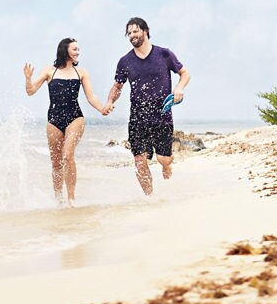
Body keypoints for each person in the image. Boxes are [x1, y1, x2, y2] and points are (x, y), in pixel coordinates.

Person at [105, 17, 191, 195]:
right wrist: (110, 102)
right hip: (137, 117)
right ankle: (149, 197)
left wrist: (179, 89)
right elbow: (117, 86)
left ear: (145, 31)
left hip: (162, 115)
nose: (132, 35)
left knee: (163, 159)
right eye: (129, 33)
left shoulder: (164, 54)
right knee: (139, 160)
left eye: (135, 31)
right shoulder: (125, 61)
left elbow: (184, 73)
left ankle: (167, 165)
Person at [24, 37, 110, 206]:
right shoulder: (50, 71)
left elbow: (91, 96)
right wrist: (28, 78)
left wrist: (102, 108)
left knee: (68, 155)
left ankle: (71, 200)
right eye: (75, 49)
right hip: (54, 119)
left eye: (78, 49)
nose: (78, 52)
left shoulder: (81, 73)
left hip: (75, 117)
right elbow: (31, 91)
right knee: (56, 162)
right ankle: (59, 199)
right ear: (65, 51)